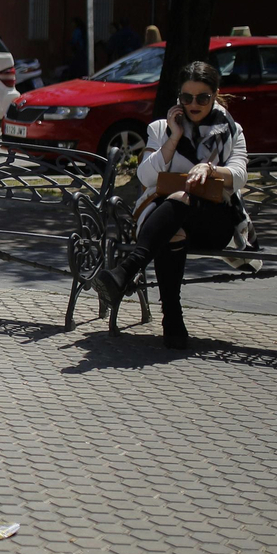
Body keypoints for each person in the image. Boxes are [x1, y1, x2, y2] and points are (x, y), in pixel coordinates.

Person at [93, 61, 252, 349]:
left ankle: (126, 271)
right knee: (174, 228)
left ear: (215, 95)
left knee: (181, 201)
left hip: (215, 222)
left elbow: (240, 175)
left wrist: (211, 170)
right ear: (179, 98)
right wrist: (173, 137)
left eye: (202, 97)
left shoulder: (232, 131)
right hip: (167, 220)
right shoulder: (160, 128)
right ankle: (173, 322)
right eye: (186, 98)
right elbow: (145, 175)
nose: (194, 104)